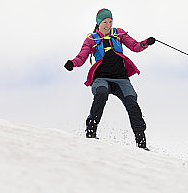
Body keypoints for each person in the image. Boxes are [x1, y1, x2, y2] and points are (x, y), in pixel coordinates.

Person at [65, 8, 155, 149]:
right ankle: (91, 131)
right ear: (98, 23)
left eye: (110, 21)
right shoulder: (91, 39)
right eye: (105, 22)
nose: (108, 25)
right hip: (101, 78)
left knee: (132, 102)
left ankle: (141, 143)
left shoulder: (118, 33)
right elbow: (81, 57)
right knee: (101, 94)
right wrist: (72, 63)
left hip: (121, 78)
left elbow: (135, 46)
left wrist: (146, 43)